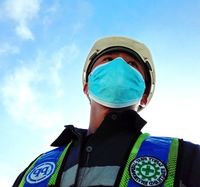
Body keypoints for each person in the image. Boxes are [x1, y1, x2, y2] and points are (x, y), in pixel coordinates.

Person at [13, 36, 200, 187]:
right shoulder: (38, 167)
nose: (119, 65)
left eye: (132, 64)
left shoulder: (184, 157)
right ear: (87, 87)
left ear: (143, 95)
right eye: (108, 59)